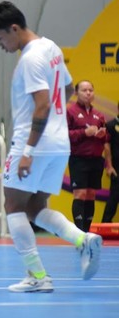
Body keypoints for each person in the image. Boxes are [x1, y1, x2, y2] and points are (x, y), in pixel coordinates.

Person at [0, 1, 102, 293]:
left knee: (13, 205)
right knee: (36, 207)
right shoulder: (52, 48)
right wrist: (58, 123)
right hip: (59, 144)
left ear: (14, 28)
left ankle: (37, 276)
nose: (0, 44)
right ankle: (82, 239)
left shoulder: (30, 59)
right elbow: (69, 89)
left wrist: (28, 152)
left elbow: (43, 104)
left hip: (33, 143)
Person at [66, 80, 107, 231]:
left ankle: (86, 232)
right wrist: (84, 132)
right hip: (79, 159)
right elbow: (64, 134)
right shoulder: (70, 111)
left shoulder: (99, 115)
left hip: (96, 160)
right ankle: (79, 233)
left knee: (91, 195)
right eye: (84, 90)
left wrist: (102, 135)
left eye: (91, 90)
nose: (88, 93)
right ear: (76, 93)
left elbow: (105, 140)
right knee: (80, 193)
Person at [103, 102, 119, 223]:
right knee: (114, 196)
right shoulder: (111, 125)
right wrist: (109, 166)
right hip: (116, 168)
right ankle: (105, 223)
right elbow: (106, 147)